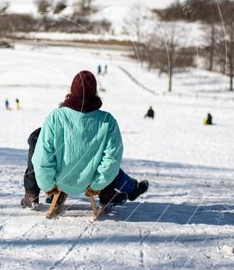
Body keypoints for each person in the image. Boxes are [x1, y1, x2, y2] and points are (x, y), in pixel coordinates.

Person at [21, 70, 148, 209]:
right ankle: (111, 193)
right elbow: (111, 161)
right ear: (94, 92)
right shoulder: (107, 121)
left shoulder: (55, 117)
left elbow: (42, 158)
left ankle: (31, 194)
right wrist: (98, 185)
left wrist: (48, 185)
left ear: (72, 90)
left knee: (36, 143)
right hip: (90, 182)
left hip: (59, 180)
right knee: (105, 159)